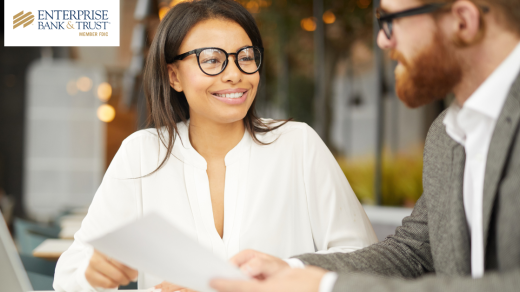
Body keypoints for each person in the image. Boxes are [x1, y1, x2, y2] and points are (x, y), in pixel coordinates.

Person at [52, 0, 378, 291]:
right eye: (211, 60)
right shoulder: (141, 154)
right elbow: (69, 277)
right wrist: (93, 275)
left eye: (246, 57)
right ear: (173, 76)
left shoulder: (298, 144)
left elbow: (364, 262)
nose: (235, 74)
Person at [210, 0, 520, 291]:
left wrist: (326, 287)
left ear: (463, 21)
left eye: (390, 22)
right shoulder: (448, 133)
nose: (383, 41)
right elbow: (411, 254)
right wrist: (291, 270)